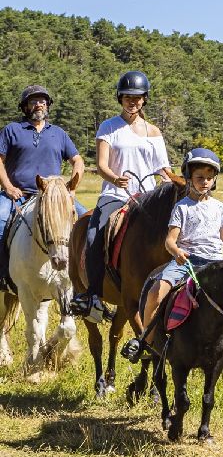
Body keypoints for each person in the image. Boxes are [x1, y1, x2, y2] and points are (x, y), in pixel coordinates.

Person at [121, 147, 223, 372]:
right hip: (186, 262)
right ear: (189, 179)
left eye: (208, 178)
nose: (204, 182)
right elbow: (170, 240)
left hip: (215, 263)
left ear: (214, 180)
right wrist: (177, 252)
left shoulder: (219, 207)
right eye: (199, 178)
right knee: (155, 293)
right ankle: (146, 341)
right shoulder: (181, 207)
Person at [70, 71, 171, 323]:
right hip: (115, 194)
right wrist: (115, 178)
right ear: (120, 98)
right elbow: (101, 165)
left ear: (144, 99)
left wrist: (176, 185)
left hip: (147, 198)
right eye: (127, 97)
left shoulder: (154, 132)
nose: (132, 101)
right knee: (95, 231)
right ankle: (91, 293)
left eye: (137, 97)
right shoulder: (109, 127)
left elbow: (164, 170)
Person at [0, 84, 86, 287]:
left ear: (48, 105)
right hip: (18, 194)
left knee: (87, 222)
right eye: (33, 101)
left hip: (53, 197)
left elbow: (78, 161)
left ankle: (86, 283)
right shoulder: (12, 130)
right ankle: (3, 274)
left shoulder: (58, 133)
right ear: (25, 107)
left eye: (43, 101)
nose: (39, 104)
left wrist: (71, 187)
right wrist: (8, 187)